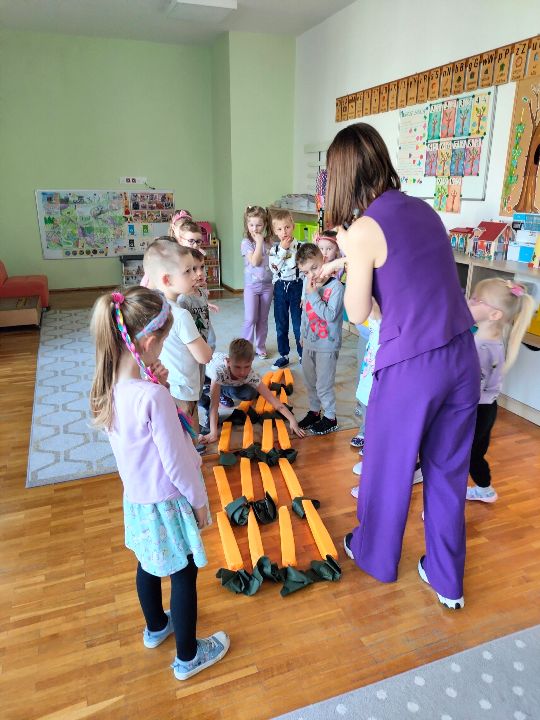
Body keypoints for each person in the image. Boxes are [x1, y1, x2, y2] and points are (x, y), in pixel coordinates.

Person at [327, 123, 480, 610]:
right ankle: (447, 581)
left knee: (387, 466)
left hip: (414, 366)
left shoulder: (363, 230)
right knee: (447, 472)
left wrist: (349, 256)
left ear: (342, 176)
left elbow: (357, 313)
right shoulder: (425, 210)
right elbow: (412, 279)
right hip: (462, 353)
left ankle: (374, 554)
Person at [89, 286, 229, 680]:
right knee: (184, 572)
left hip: (137, 500)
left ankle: (155, 627)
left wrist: (159, 385)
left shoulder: (108, 387)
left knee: (148, 563)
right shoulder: (152, 397)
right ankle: (188, 657)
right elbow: (178, 461)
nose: (164, 349)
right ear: (148, 343)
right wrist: (199, 502)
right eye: (164, 342)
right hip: (169, 501)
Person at [466, 278, 535, 503]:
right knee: (475, 454)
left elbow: (469, 388)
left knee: (465, 455)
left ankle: (460, 498)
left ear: (495, 314)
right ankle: (485, 489)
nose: (468, 301)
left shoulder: (481, 348)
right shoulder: (492, 339)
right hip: (487, 408)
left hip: (475, 410)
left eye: (476, 300)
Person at [143, 238, 213, 438]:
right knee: (188, 434)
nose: (196, 275)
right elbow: (204, 357)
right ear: (167, 280)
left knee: (174, 428)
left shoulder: (154, 306)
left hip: (166, 382)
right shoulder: (181, 315)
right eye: (188, 271)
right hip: (184, 387)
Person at [201, 338, 305, 445]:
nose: (242, 372)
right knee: (197, 394)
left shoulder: (250, 375)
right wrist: (213, 432)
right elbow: (214, 405)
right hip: (205, 375)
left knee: (250, 393)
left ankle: (222, 391)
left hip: (226, 380)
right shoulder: (218, 371)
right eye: (237, 367)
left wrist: (292, 420)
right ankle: (209, 392)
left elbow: (273, 400)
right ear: (228, 362)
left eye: (247, 366)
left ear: (251, 362)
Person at [295, 242, 344, 435]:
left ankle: (330, 417)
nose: (311, 275)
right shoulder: (307, 285)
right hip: (309, 342)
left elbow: (330, 316)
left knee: (324, 384)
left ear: (323, 260)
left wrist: (314, 294)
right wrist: (302, 334)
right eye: (306, 272)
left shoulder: (336, 287)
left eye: (314, 268)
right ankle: (315, 411)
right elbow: (305, 312)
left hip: (327, 346)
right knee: (309, 381)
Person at [269, 210, 303, 370]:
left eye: (287, 227)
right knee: (281, 323)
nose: (284, 232)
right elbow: (274, 268)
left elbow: (299, 265)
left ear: (293, 227)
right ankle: (284, 355)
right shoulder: (274, 250)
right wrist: (283, 250)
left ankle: (303, 354)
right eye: (280, 229)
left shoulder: (301, 247)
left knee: (298, 324)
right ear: (275, 231)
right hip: (280, 288)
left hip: (297, 286)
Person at [241, 206, 274, 359]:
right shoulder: (246, 243)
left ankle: (260, 346)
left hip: (267, 286)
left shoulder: (270, 242)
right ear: (247, 225)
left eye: (259, 225)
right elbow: (255, 262)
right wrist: (259, 242)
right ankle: (246, 348)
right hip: (251, 287)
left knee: (262, 319)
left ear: (265, 224)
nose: (255, 228)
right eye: (251, 225)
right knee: (250, 319)